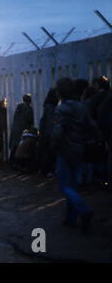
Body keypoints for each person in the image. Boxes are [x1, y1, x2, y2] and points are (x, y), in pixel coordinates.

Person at [52, 78, 102, 233]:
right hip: (79, 149)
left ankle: (83, 210)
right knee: (73, 185)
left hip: (65, 151)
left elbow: (58, 132)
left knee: (65, 185)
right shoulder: (81, 107)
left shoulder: (61, 109)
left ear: (59, 92)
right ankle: (70, 218)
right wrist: (98, 141)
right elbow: (92, 126)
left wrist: (53, 145)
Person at [9, 94, 34, 169]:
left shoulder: (18, 108)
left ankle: (12, 163)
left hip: (15, 128)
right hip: (23, 130)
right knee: (21, 148)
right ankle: (18, 164)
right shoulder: (29, 109)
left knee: (14, 147)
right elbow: (30, 121)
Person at [38, 88, 58, 177]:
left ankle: (45, 169)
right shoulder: (51, 107)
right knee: (49, 153)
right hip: (48, 133)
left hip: (45, 132)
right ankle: (48, 170)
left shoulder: (47, 106)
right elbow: (50, 122)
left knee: (46, 153)